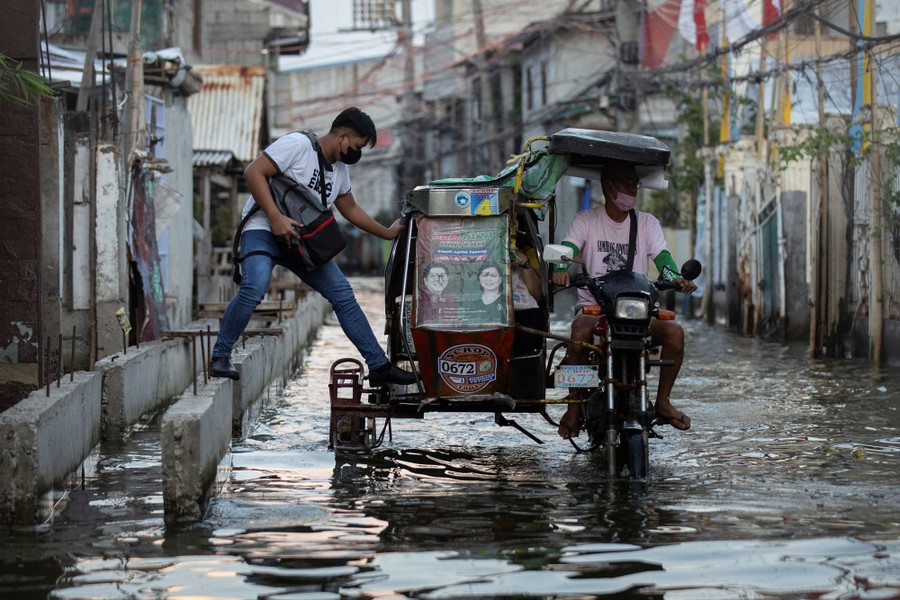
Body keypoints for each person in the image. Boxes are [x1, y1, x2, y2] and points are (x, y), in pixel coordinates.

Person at [210, 107, 416, 387]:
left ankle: (378, 366)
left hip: (299, 241)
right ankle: (221, 356)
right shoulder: (297, 145)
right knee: (255, 285)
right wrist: (275, 217)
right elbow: (254, 172)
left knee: (343, 295)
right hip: (263, 229)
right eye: (357, 146)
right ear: (343, 137)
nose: (357, 154)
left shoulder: (340, 171)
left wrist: (387, 233)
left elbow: (351, 209)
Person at [551, 160, 697, 439]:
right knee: (578, 333)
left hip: (637, 311)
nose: (633, 189)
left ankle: (663, 401)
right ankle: (573, 406)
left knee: (675, 333)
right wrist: (560, 267)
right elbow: (568, 247)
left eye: (635, 183)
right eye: (626, 183)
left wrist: (676, 277)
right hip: (595, 311)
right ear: (608, 186)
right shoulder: (586, 220)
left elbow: (662, 257)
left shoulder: (647, 223)